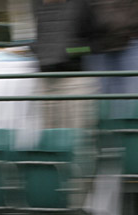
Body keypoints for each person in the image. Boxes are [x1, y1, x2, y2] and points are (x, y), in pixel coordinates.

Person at [30, 0, 94, 129]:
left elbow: (94, 44)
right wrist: (38, 50)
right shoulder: (38, 4)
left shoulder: (81, 5)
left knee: (76, 133)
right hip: (46, 78)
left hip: (73, 79)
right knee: (50, 134)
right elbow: (40, 34)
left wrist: (68, 52)